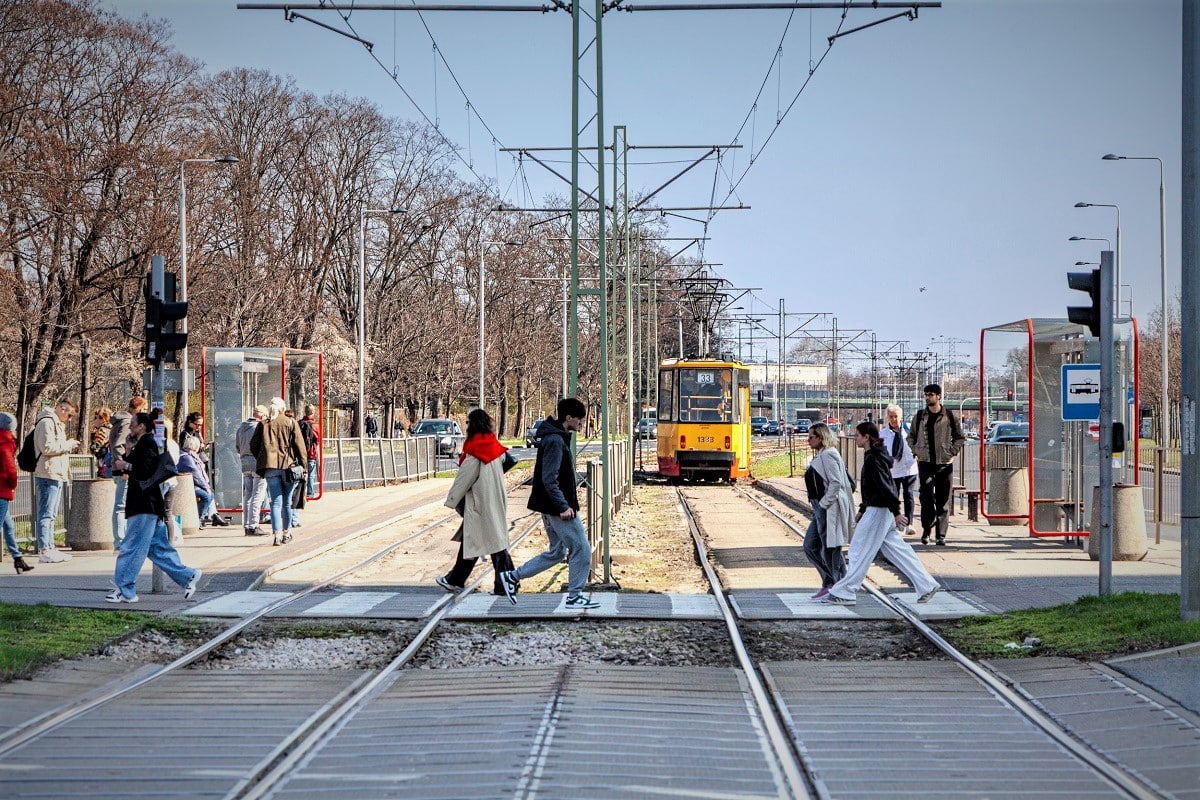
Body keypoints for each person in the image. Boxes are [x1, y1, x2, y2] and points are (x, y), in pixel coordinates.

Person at [821, 422, 940, 606]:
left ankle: (846, 591)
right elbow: (875, 487)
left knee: (858, 549)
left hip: (879, 510)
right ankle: (926, 585)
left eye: (858, 435)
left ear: (866, 437)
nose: (855, 438)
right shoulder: (874, 456)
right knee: (898, 551)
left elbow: (886, 487)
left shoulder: (873, 459)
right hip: (878, 508)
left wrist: (896, 512)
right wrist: (862, 508)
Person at [499, 397, 599, 610]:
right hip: (557, 508)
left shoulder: (556, 437)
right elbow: (549, 478)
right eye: (579, 418)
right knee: (581, 548)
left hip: (550, 506)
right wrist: (563, 506)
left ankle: (512, 577)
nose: (582, 422)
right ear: (568, 417)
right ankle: (574, 596)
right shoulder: (554, 440)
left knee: (557, 552)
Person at [106, 410, 202, 603]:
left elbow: (143, 470)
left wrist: (125, 465)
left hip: (143, 505)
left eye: (133, 423)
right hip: (149, 504)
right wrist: (128, 455)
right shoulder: (142, 444)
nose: (130, 426)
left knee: (132, 546)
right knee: (157, 548)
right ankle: (188, 575)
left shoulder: (147, 444)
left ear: (142, 426)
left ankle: (125, 589)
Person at [436, 408, 516, 599]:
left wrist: (452, 500)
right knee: (479, 540)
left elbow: (464, 478)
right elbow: (507, 461)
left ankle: (506, 582)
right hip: (494, 499)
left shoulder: (475, 449)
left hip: (480, 502)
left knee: (492, 544)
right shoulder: (493, 444)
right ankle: (456, 579)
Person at [906, 383, 966, 545]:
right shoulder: (920, 416)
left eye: (931, 394)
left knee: (943, 499)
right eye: (926, 394)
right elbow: (910, 437)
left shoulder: (949, 416)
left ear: (939, 396)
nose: (927, 397)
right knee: (925, 497)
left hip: (944, 462)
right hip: (925, 462)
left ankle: (941, 535)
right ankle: (926, 529)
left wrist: (952, 451)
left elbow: (960, 437)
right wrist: (916, 450)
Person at [803, 422, 852, 600]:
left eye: (811, 437)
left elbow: (836, 482)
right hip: (821, 507)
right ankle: (832, 581)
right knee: (811, 546)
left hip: (828, 508)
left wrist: (823, 504)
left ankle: (838, 585)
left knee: (831, 547)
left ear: (821, 437)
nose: (808, 440)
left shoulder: (829, 455)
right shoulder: (823, 454)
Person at [250, 397, 307, 547]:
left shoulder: (263, 424)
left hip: (270, 468)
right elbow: (300, 446)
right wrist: (304, 466)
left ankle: (276, 535)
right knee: (287, 503)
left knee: (275, 502)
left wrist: (263, 459)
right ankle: (286, 533)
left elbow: (253, 445)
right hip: (288, 467)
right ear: (283, 408)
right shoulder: (290, 422)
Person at [33, 399, 79, 563]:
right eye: (70, 414)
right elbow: (46, 447)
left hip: (56, 472)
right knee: (46, 513)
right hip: (48, 472)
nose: (70, 418)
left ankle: (50, 547)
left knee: (51, 514)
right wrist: (67, 445)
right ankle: (45, 548)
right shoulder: (47, 422)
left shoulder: (56, 423)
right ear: (62, 408)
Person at [109, 396, 147, 551]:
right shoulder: (126, 422)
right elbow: (118, 445)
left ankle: (124, 538)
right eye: (144, 409)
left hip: (123, 467)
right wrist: (124, 465)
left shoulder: (122, 420)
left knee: (125, 504)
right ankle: (120, 540)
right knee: (121, 504)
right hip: (123, 469)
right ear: (138, 409)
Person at [0, 412, 33, 574]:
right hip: (2, 490)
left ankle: (17, 558)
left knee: (9, 525)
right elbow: (9, 468)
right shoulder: (5, 441)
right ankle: (17, 558)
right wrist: (13, 484)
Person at [881, 403, 919, 536]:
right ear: (887, 418)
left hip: (909, 467)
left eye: (896, 416)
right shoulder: (883, 433)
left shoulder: (908, 430)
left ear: (900, 417)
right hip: (893, 469)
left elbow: (917, 444)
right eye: (891, 417)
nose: (893, 419)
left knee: (908, 495)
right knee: (894, 496)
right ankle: (895, 522)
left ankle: (909, 523)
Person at [177, 437, 227, 528]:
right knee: (207, 496)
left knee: (210, 494)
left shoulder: (191, 456)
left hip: (193, 484)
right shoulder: (186, 457)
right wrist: (205, 487)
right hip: (188, 485)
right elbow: (196, 474)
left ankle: (208, 516)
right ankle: (199, 519)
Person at [236, 405, 269, 536]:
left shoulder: (241, 428)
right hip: (257, 462)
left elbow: (237, 446)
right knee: (258, 494)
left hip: (244, 462)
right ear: (261, 416)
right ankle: (253, 524)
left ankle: (247, 524)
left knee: (248, 494)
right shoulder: (258, 428)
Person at [298, 404, 321, 501]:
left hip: (300, 453)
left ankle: (299, 493)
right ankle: (310, 494)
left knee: (300, 475)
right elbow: (318, 442)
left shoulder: (300, 424)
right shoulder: (315, 426)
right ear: (313, 412)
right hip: (311, 454)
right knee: (311, 475)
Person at [88, 405, 112, 478]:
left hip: (104, 462)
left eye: (96, 417)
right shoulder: (111, 429)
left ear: (103, 419)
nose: (94, 420)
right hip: (108, 462)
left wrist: (92, 446)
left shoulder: (102, 430)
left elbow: (95, 447)